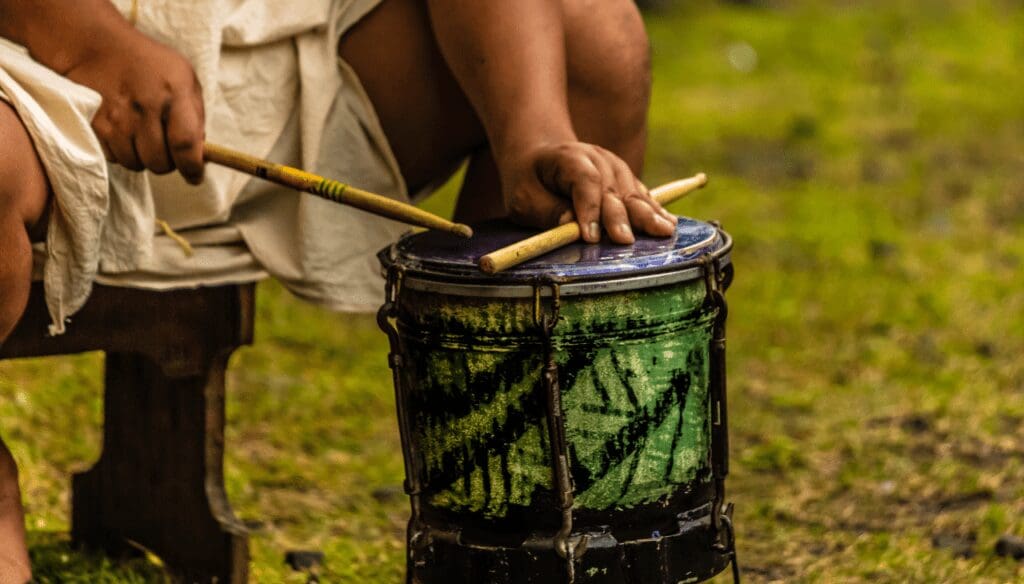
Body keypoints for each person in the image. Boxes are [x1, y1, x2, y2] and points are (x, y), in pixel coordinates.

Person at [0, 0, 668, 580]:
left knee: (595, 38)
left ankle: (505, 507)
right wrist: (89, 39)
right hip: (25, 55)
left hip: (260, 59)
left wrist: (536, 133)